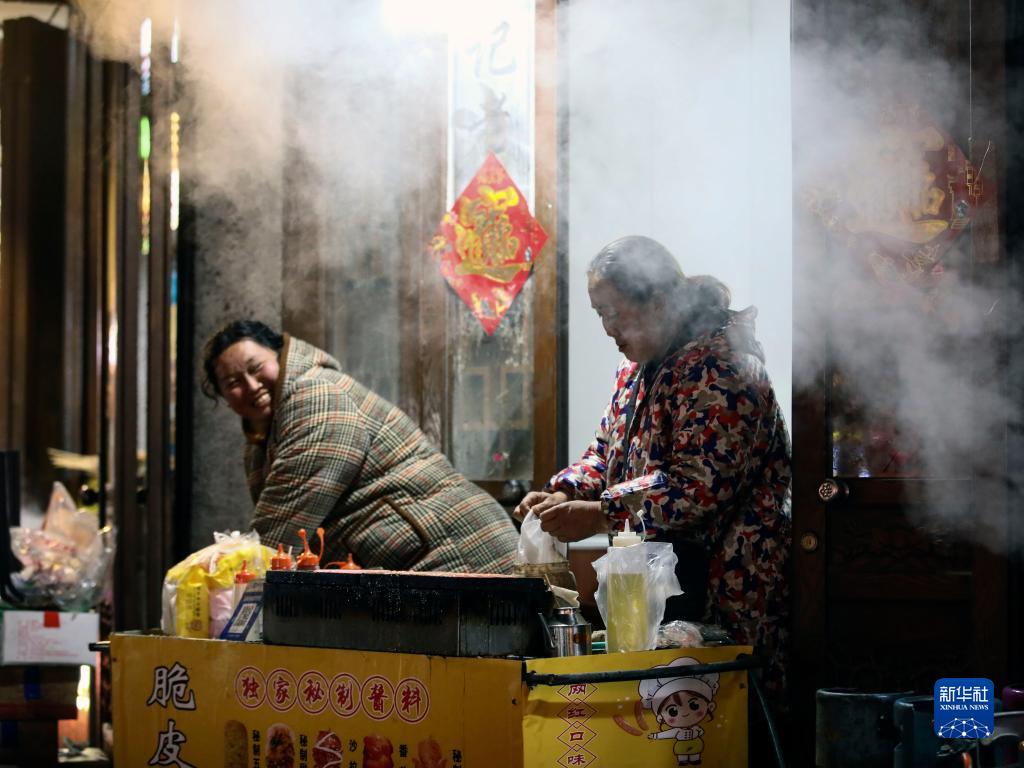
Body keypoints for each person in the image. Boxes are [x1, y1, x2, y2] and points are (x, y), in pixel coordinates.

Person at [515, 235, 791, 698]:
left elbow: (698, 487)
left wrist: (603, 513)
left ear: (659, 302)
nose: (606, 328)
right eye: (599, 314)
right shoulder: (636, 370)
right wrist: (565, 493)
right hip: (667, 587)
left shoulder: (724, 369)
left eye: (613, 312)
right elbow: (605, 457)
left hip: (732, 589)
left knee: (726, 726)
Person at [201, 319, 517, 573]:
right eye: (233, 383)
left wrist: (220, 575)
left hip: (457, 552)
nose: (252, 386)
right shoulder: (259, 442)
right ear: (224, 399)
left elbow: (281, 529)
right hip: (418, 561)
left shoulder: (315, 396)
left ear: (280, 356)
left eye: (256, 368)